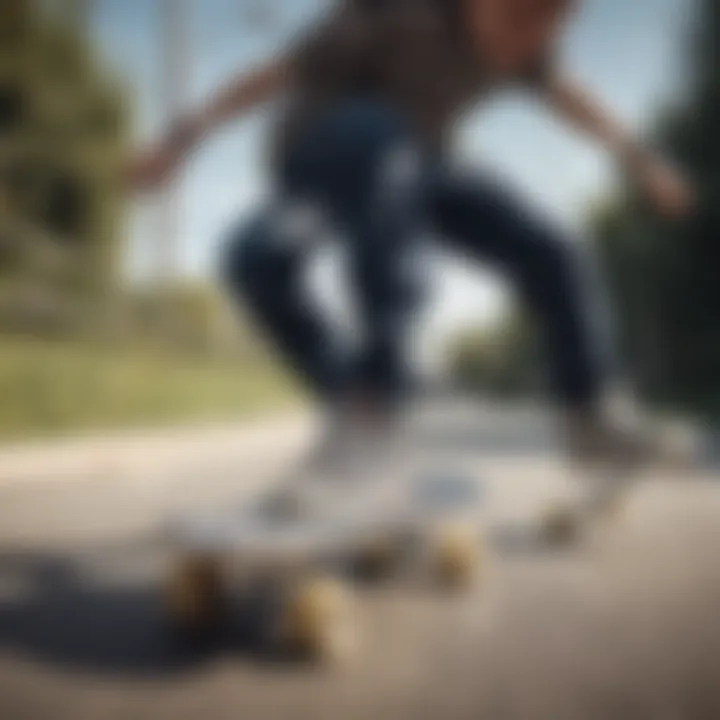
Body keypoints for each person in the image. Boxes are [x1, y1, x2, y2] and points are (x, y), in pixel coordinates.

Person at [131, 0, 694, 469]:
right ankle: (373, 401)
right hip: (321, 158)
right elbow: (271, 76)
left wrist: (642, 161)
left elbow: (572, 97)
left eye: (551, 27)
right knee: (262, 256)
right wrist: (179, 141)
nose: (529, 45)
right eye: (523, 21)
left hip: (419, 166)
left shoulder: (528, 45)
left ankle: (590, 414)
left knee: (548, 245)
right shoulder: (392, 12)